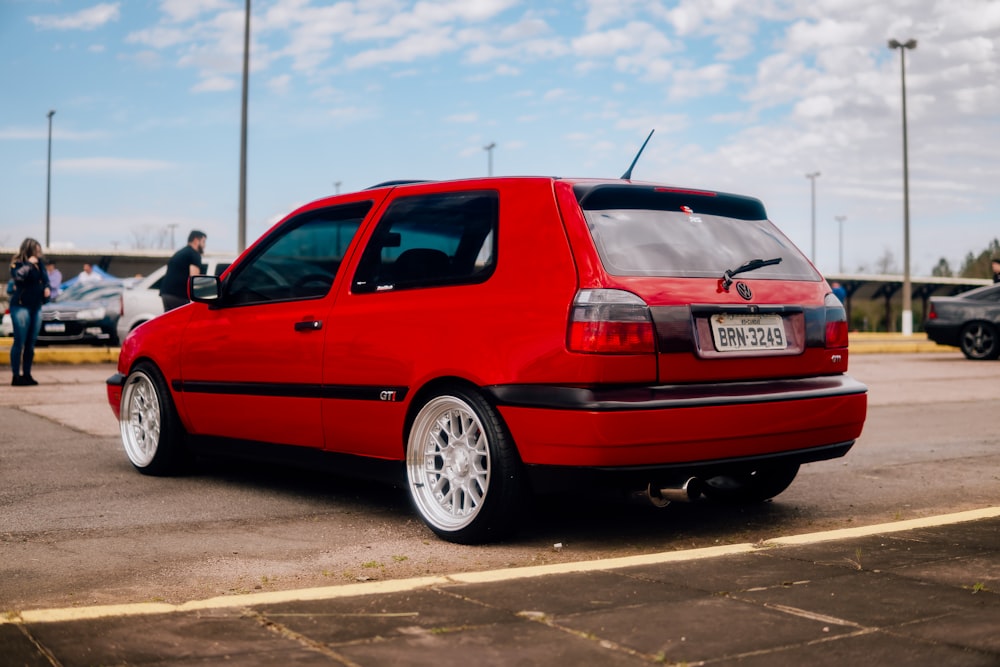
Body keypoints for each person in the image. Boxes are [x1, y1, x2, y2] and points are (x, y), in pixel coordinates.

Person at [9, 238, 51, 386]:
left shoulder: (40, 265)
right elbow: (18, 277)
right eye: (36, 251)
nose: (39, 254)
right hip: (21, 306)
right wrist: (28, 264)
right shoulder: (18, 263)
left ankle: (27, 374)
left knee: (30, 343)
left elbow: (45, 280)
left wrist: (46, 288)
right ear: (29, 250)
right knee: (19, 341)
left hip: (36, 306)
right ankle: (16, 375)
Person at [160, 230, 207, 311]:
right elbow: (195, 279)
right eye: (203, 242)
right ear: (196, 240)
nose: (204, 245)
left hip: (167, 294)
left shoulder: (181, 253)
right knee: (183, 322)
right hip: (179, 295)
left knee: (172, 322)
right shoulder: (194, 254)